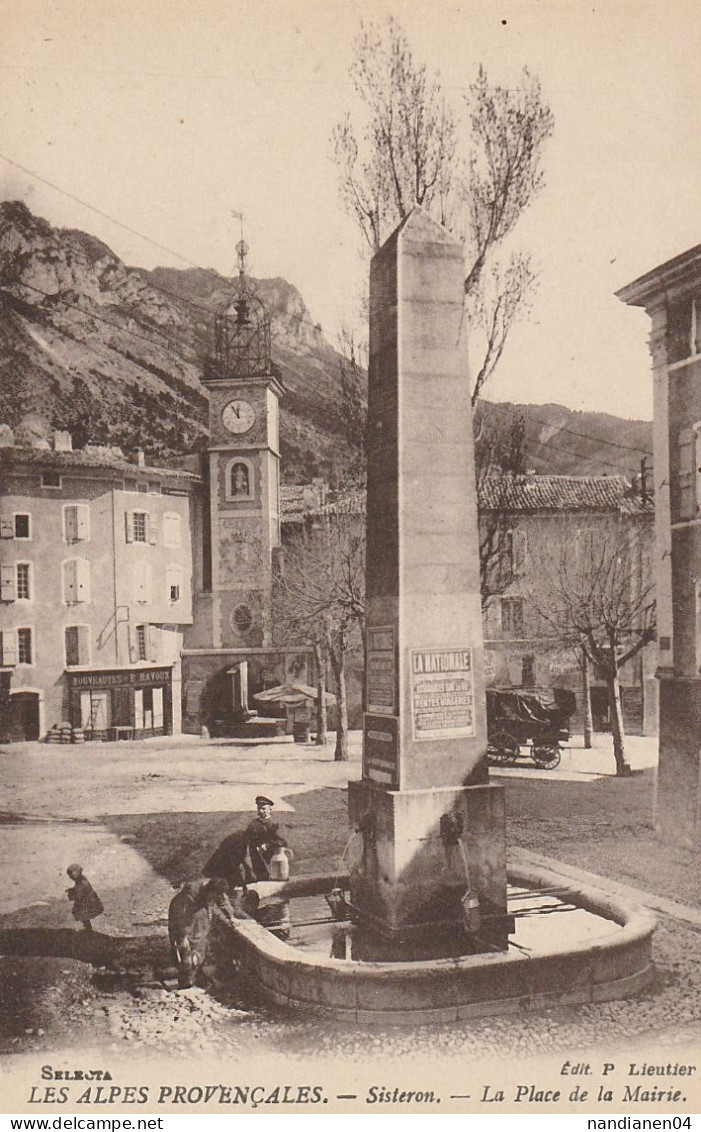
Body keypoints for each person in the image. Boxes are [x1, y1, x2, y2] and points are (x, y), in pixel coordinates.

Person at [167, 877, 236, 989]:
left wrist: (231, 917)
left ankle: (198, 973)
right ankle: (185, 978)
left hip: (198, 910)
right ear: (210, 891)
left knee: (200, 940)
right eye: (212, 896)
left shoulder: (217, 887)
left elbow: (223, 902)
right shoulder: (191, 893)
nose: (214, 899)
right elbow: (184, 917)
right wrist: (183, 936)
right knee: (184, 946)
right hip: (181, 912)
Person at [245, 795, 287, 881]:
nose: (261, 811)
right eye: (259, 808)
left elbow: (282, 842)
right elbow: (247, 838)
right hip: (256, 860)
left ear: (270, 809)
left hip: (272, 859)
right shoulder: (253, 823)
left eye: (264, 809)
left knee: (274, 880)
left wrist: (267, 846)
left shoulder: (275, 824)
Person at [202, 829, 254, 895]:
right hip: (218, 868)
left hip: (219, 863)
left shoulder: (240, 836)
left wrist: (248, 870)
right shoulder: (240, 843)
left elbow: (240, 858)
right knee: (223, 888)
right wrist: (244, 886)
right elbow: (235, 864)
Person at [65, 863, 104, 931]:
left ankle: (88, 929)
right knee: (84, 916)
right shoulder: (80, 880)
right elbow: (77, 889)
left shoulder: (83, 882)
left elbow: (79, 893)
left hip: (88, 902)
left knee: (84, 915)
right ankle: (87, 927)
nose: (70, 877)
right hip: (85, 901)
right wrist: (72, 889)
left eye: (70, 875)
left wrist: (72, 896)